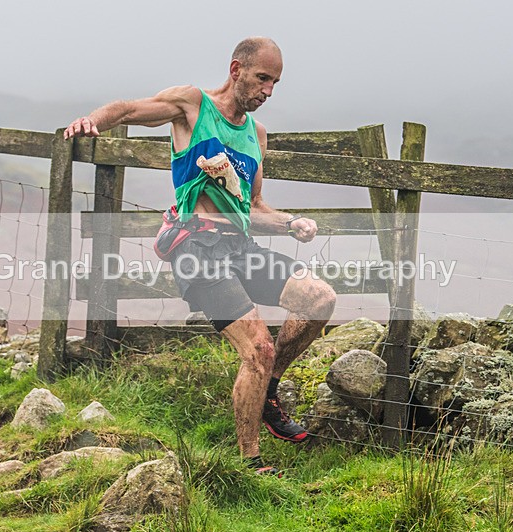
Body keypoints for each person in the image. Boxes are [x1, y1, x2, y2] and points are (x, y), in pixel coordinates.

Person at [65, 37, 336, 474]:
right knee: (259, 348)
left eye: (276, 83)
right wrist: (91, 121)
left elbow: (253, 207)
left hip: (239, 246)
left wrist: (290, 223)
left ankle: (268, 391)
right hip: (196, 248)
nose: (268, 91)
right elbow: (130, 109)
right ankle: (251, 463)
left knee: (319, 299)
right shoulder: (194, 106)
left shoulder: (256, 135)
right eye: (263, 79)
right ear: (236, 70)